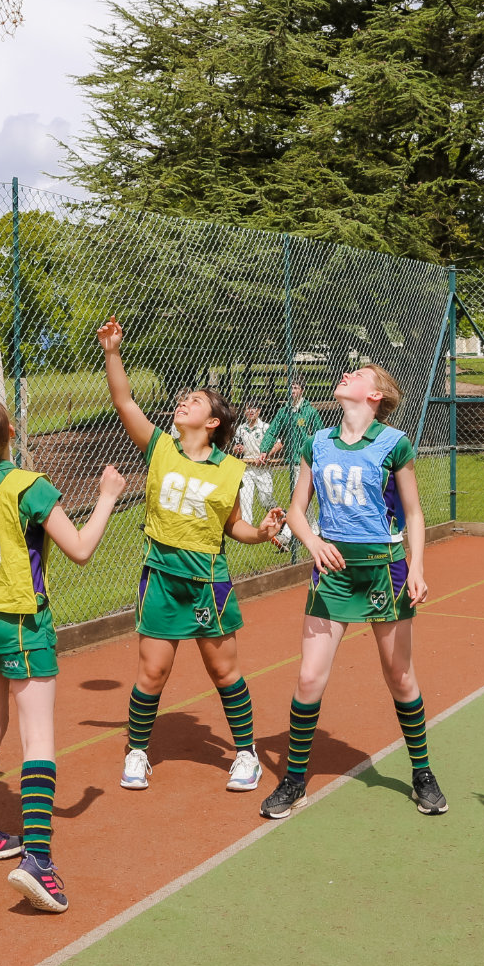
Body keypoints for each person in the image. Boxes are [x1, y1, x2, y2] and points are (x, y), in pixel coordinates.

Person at [0, 397, 126, 915]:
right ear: (12, 432)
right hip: (21, 624)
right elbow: (80, 548)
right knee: (38, 738)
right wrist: (106, 497)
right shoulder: (28, 487)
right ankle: (39, 859)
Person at [97, 319, 284, 795]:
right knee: (152, 672)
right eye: (183, 399)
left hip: (206, 582)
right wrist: (112, 352)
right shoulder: (160, 448)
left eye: (195, 401)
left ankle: (246, 754)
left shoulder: (231, 470)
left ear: (213, 421)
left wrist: (261, 533)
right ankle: (137, 751)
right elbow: (124, 402)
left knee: (224, 671)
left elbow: (234, 527)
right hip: (161, 577)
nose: (184, 402)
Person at [259, 363, 445, 821]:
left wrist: (417, 567)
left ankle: (422, 772)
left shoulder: (393, 444)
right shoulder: (316, 442)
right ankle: (296, 779)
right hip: (334, 570)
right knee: (308, 678)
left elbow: (414, 514)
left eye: (359, 373)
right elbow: (300, 509)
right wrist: (314, 542)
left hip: (385, 570)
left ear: (376, 395)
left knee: (400, 676)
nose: (347, 375)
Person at [253, 380, 325, 500]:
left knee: (300, 497)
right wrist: (265, 449)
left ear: (302, 390)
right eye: (291, 388)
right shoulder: (283, 412)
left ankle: (306, 519)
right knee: (298, 497)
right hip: (292, 461)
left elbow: (320, 434)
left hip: (306, 460)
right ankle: (306, 519)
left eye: (296, 388)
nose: (293, 391)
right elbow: (272, 431)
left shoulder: (310, 411)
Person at [233, 406, 290, 546]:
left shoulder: (265, 427)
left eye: (254, 408)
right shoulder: (241, 428)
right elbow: (236, 446)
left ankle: (283, 515)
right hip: (247, 467)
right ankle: (245, 534)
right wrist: (238, 449)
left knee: (265, 499)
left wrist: (266, 454)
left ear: (258, 411)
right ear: (244, 411)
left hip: (263, 469)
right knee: (245, 498)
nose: (250, 411)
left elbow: (278, 443)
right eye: (247, 409)